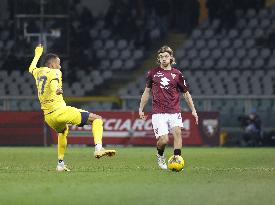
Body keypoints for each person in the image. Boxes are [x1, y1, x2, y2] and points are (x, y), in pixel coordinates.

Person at [28, 44, 116, 172]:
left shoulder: (38, 72)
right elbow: (53, 84)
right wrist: (57, 89)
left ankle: (60, 163)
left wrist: (37, 53)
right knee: (97, 120)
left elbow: (31, 68)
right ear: (52, 65)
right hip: (60, 111)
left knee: (63, 131)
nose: (60, 66)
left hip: (49, 117)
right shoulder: (55, 72)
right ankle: (98, 149)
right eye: (58, 63)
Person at [138, 45, 198, 170]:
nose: (163, 59)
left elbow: (186, 93)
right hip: (158, 112)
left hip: (174, 110)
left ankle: (177, 160)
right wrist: (141, 108)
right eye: (161, 57)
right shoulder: (153, 73)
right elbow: (146, 92)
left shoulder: (177, 74)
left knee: (177, 133)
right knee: (164, 140)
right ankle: (160, 155)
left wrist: (193, 110)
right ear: (158, 59)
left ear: (171, 58)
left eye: (166, 56)